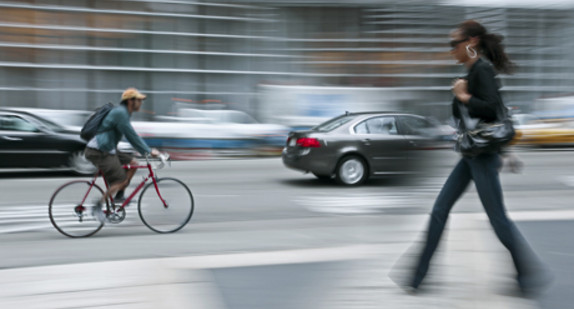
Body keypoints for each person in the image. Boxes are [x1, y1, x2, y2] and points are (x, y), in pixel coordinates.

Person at [393, 20, 550, 295]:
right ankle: (416, 277)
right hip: (472, 154)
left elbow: (491, 110)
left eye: (455, 43)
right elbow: (485, 117)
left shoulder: (482, 70)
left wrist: (464, 97)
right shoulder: (472, 71)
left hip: (482, 157)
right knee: (440, 210)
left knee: (497, 219)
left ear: (472, 42)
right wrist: (462, 97)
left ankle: (528, 274)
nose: (451, 49)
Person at [85, 88, 160, 222]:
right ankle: (97, 207)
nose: (141, 103)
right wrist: (148, 151)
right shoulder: (121, 113)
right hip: (99, 150)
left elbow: (129, 135)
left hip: (108, 147)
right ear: (130, 101)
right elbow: (131, 136)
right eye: (139, 100)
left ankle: (119, 195)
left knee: (134, 163)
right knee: (120, 180)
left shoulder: (123, 113)